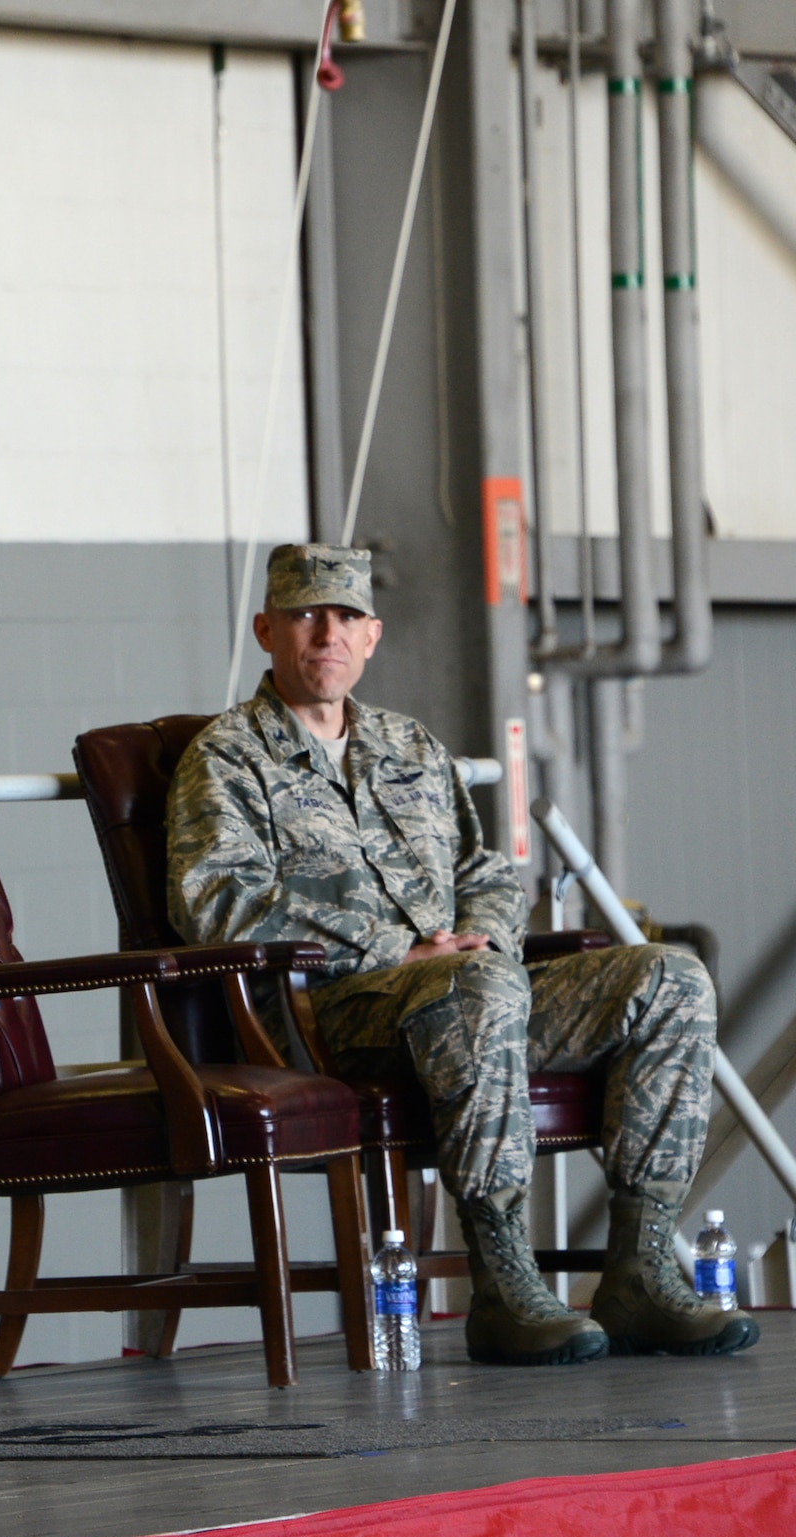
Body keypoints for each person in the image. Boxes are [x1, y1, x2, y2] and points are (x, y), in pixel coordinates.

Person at [166, 543, 757, 1368]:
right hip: (329, 1011)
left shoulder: (412, 747)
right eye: (305, 615)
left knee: (669, 978)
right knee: (473, 986)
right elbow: (216, 901)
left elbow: (485, 870)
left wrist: (484, 935)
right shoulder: (228, 756)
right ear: (268, 629)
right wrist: (399, 948)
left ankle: (642, 1266)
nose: (325, 633)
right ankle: (503, 1280)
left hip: (473, 986)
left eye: (345, 617)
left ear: (372, 636)